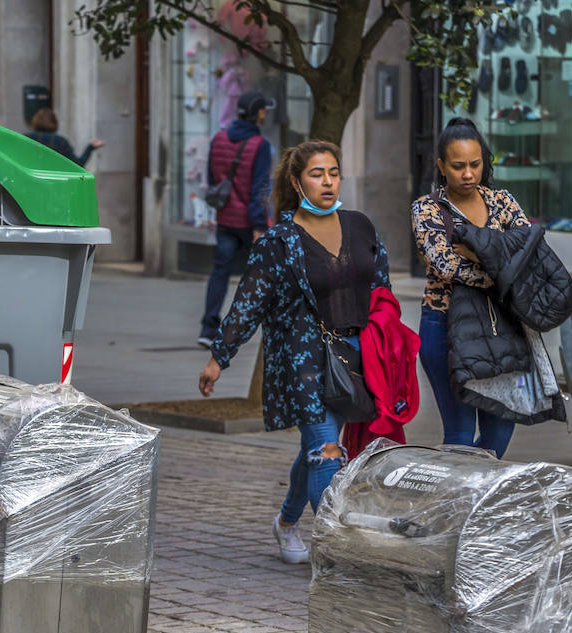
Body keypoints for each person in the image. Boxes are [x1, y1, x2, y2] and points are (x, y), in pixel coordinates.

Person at [198, 141, 391, 564]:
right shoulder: (279, 242)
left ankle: (286, 523)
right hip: (302, 364)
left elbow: (381, 290)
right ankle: (339, 553)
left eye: (333, 172)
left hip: (356, 359)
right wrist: (219, 358)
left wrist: (389, 347)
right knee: (325, 450)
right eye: (317, 173)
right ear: (296, 181)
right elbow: (248, 302)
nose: (327, 181)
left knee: (318, 450)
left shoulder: (361, 226)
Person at [410, 117, 529, 457]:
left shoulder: (502, 201)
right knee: (460, 433)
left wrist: (477, 251)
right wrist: (499, 259)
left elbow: (529, 253)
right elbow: (447, 266)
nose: (468, 174)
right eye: (458, 166)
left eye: (475, 164)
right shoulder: (427, 209)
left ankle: (464, 500)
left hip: (501, 327)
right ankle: (455, 508)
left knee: (499, 430)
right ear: (441, 166)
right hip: (445, 326)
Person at [197, 90, 275, 347]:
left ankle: (208, 329)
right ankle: (243, 328)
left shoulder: (218, 138)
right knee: (257, 275)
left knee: (220, 271)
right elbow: (260, 188)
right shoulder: (259, 145)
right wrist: (260, 225)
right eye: (264, 109)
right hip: (249, 222)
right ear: (259, 113)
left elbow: (212, 177)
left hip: (225, 218)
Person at [26, 108, 104, 167]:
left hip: (28, 184)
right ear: (54, 122)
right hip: (54, 184)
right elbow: (77, 165)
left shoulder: (25, 139)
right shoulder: (60, 142)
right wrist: (90, 147)